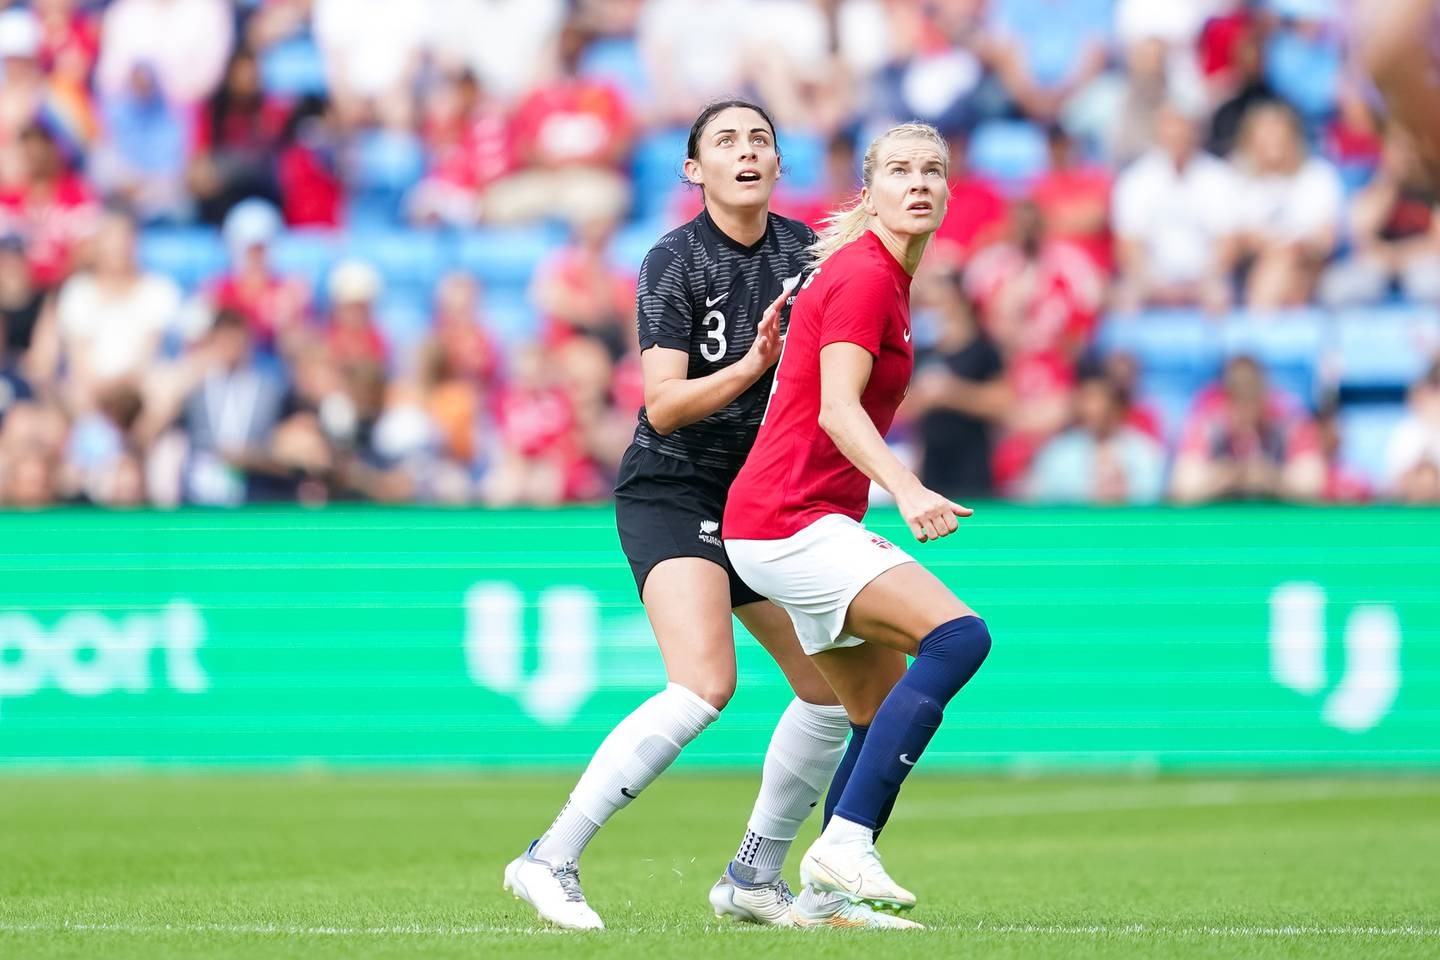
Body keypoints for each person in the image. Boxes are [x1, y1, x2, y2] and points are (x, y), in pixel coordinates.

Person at [504, 100, 910, 932]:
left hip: (767, 500)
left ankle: (754, 877)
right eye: (726, 141)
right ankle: (549, 858)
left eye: (760, 139)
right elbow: (663, 406)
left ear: (778, 163)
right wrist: (756, 362)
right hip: (676, 487)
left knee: (831, 694)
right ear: (696, 170)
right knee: (704, 684)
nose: (747, 151)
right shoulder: (673, 261)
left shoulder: (812, 253)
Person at [724, 121, 992, 917]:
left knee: (871, 709)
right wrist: (907, 490)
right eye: (901, 170)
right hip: (789, 519)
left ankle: (786, 890)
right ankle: (844, 844)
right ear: (869, 188)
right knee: (959, 636)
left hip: (787, 519)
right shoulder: (868, 276)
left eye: (934, 170)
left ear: (948, 191)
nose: (920, 183)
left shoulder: (883, 276)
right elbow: (839, 411)